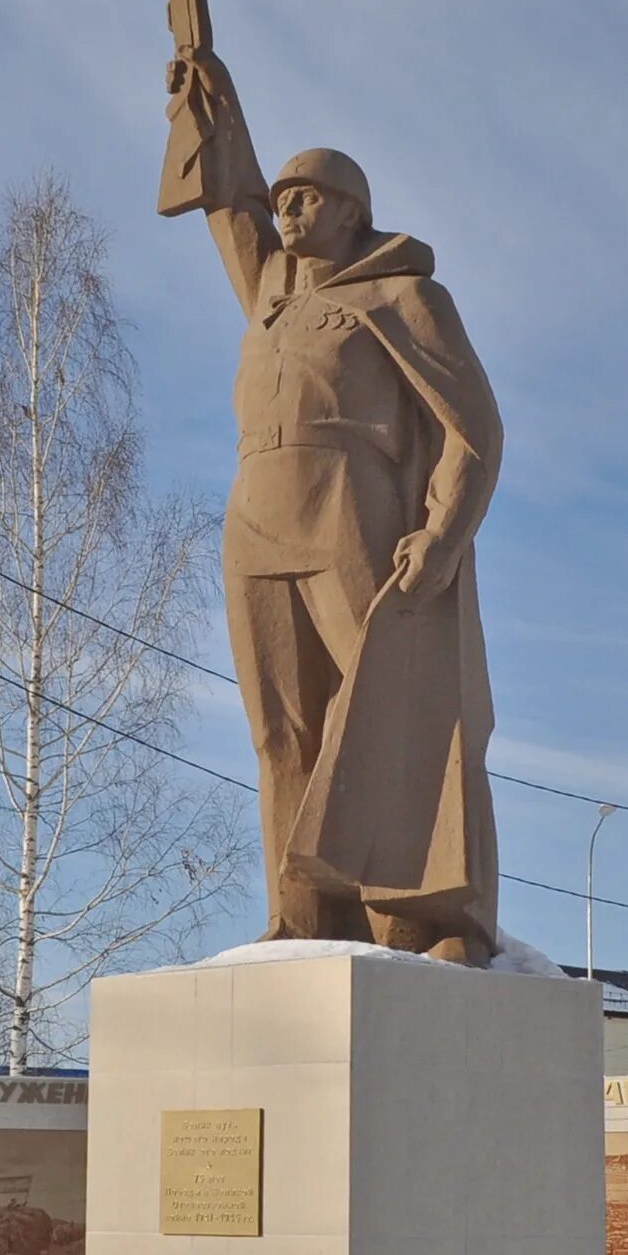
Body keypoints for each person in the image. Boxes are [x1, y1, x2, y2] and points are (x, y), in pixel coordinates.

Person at [162, 47, 505, 964]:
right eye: (284, 198)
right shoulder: (269, 296)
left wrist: (441, 533)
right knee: (281, 729)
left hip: (349, 508)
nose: (287, 210)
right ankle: (304, 917)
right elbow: (227, 200)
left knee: (392, 707)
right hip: (253, 517)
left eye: (307, 196)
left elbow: (476, 430)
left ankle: (426, 918)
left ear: (353, 210)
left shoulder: (403, 295)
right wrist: (209, 96)